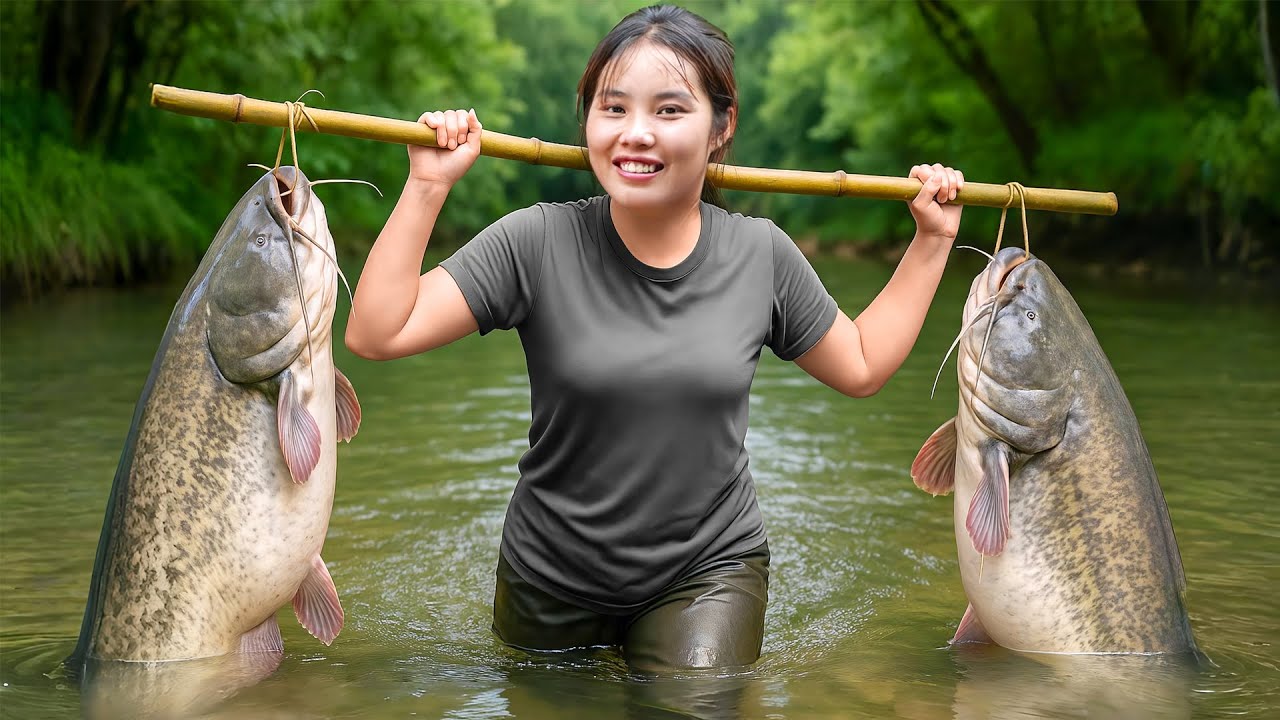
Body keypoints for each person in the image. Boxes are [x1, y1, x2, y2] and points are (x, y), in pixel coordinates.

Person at [345, 4, 963, 673]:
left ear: (721, 127)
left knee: (693, 707)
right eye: (613, 109)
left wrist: (932, 241)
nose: (635, 134)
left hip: (708, 569)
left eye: (669, 111)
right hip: (550, 571)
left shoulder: (760, 254)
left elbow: (862, 364)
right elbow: (378, 332)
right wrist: (427, 185)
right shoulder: (537, 240)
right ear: (588, 120)